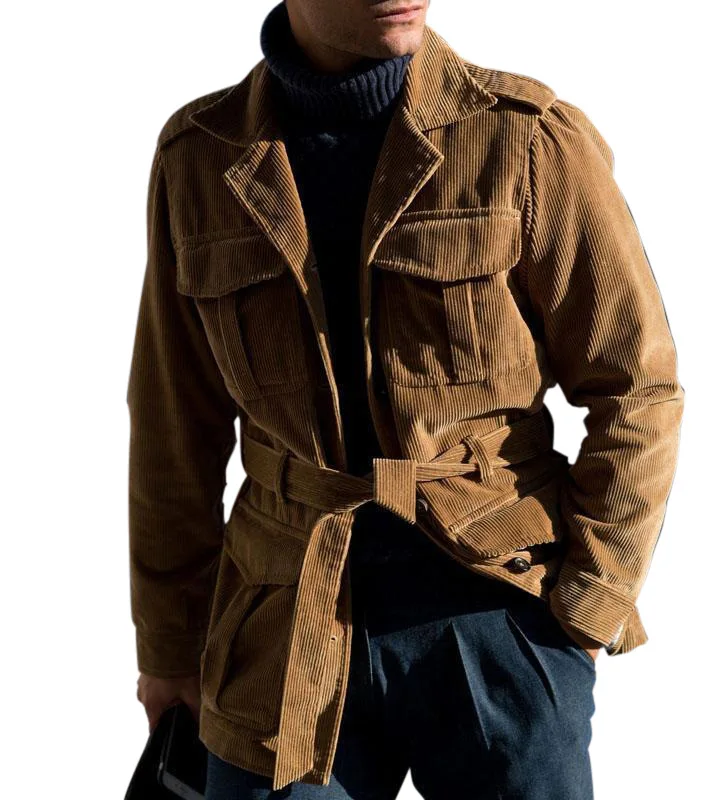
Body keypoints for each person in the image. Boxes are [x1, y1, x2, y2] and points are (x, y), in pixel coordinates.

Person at [127, 1, 685, 797]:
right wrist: (169, 645)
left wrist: (589, 607)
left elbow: (638, 386)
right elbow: (172, 427)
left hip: (498, 607)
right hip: (281, 621)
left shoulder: (525, 136)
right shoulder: (201, 158)